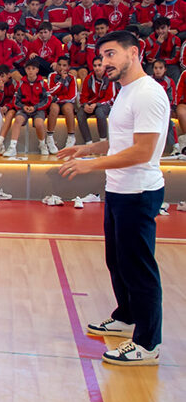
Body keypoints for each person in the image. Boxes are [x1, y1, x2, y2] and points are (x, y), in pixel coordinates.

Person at [58, 31, 169, 365]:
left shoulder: (149, 94)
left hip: (139, 191)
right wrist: (88, 147)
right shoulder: (125, 92)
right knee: (118, 262)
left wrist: (91, 164)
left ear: (133, 53)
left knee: (139, 268)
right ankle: (126, 317)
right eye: (102, 57)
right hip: (119, 190)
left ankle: (148, 344)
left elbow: (143, 150)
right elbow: (120, 140)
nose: (104, 63)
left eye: (111, 55)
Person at [78, 56, 118, 143]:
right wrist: (85, 105)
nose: (97, 68)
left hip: (106, 104)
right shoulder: (89, 78)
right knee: (80, 114)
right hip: (91, 104)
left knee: (99, 112)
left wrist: (97, 104)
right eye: (95, 66)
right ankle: (88, 142)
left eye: (99, 65)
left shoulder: (110, 77)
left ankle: (103, 141)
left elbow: (110, 97)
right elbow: (83, 96)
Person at [46, 55, 78, 151]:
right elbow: (51, 91)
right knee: (54, 108)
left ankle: (71, 137)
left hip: (65, 102)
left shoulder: (72, 77)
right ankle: (50, 137)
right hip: (55, 103)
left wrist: (58, 98)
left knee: (68, 108)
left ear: (68, 67)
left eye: (64, 65)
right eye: (59, 65)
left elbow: (72, 96)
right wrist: (62, 81)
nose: (61, 68)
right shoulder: (52, 76)